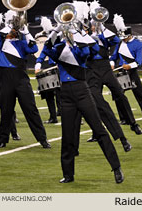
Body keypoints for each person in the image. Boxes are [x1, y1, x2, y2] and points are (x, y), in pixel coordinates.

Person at [42, 23, 124, 184]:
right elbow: (46, 49)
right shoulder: (58, 48)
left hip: (81, 91)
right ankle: (68, 174)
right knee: (67, 135)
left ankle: (116, 168)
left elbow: (88, 50)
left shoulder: (80, 49)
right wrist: (56, 30)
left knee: (99, 129)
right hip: (65, 93)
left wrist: (78, 34)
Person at [0, 16, 51, 149]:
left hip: (21, 79)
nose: (13, 32)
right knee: (6, 111)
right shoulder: (0, 44)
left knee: (31, 109)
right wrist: (9, 26)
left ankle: (43, 139)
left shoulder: (21, 43)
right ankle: (2, 140)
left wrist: (24, 29)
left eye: (15, 30)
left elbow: (34, 49)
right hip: (5, 78)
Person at [85, 18, 142, 136]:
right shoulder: (85, 38)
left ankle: (133, 124)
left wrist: (103, 28)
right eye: (92, 26)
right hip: (92, 70)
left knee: (120, 95)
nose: (93, 27)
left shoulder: (104, 36)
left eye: (95, 25)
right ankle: (96, 133)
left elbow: (116, 40)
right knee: (95, 101)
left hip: (105, 69)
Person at [110, 19, 142, 126]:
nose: (124, 39)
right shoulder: (120, 43)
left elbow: (138, 61)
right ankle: (124, 118)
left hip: (132, 73)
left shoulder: (138, 44)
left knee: (140, 96)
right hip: (121, 72)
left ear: (130, 35)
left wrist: (129, 66)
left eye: (125, 37)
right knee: (119, 96)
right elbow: (113, 57)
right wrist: (112, 63)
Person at [34, 32, 61, 124]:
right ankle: (53, 117)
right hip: (50, 70)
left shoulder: (61, 43)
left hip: (62, 71)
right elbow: (42, 54)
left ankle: (71, 115)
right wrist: (38, 64)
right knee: (48, 94)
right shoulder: (48, 46)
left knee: (63, 94)